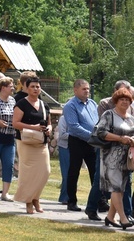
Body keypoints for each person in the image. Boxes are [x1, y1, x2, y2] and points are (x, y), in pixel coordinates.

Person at [63, 79, 106, 219]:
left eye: (88, 89)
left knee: (96, 172)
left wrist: (99, 134)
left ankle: (100, 201)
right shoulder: (70, 105)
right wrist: (93, 136)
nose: (87, 91)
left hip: (92, 143)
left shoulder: (93, 103)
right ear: (75, 90)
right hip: (77, 141)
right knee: (74, 171)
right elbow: (74, 126)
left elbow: (98, 122)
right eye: (84, 89)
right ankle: (72, 201)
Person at [93, 88, 134, 230]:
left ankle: (110, 218)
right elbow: (101, 132)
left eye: (128, 100)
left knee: (121, 189)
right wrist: (120, 138)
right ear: (116, 101)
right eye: (122, 99)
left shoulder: (131, 118)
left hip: (126, 158)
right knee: (115, 188)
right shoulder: (109, 114)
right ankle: (123, 219)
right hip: (110, 156)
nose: (125, 102)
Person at [13, 74, 52, 214]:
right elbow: (15, 123)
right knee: (28, 173)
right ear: (27, 88)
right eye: (32, 87)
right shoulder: (21, 103)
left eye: (37, 86)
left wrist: (49, 129)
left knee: (45, 171)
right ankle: (29, 201)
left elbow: (49, 123)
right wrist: (33, 127)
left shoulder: (44, 104)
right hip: (26, 141)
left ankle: (36, 197)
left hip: (41, 142)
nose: (35, 89)